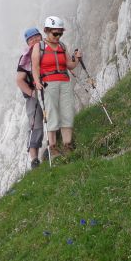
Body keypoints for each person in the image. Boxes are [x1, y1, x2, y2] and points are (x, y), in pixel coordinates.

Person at [31, 16, 81, 158]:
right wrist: (37, 81)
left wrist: (76, 59)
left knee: (67, 111)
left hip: (64, 82)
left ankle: (67, 145)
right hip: (48, 84)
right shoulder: (39, 46)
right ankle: (52, 147)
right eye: (55, 33)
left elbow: (69, 65)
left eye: (60, 33)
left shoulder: (62, 46)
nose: (58, 36)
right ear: (47, 31)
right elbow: (35, 66)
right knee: (51, 114)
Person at [16, 28, 44, 169]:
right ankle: (34, 159)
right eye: (31, 39)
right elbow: (20, 80)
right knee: (35, 125)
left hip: (48, 90)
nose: (34, 41)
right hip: (34, 95)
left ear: (41, 37)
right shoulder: (25, 58)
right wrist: (32, 93)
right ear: (27, 43)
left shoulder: (46, 51)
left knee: (54, 117)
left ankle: (54, 146)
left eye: (36, 37)